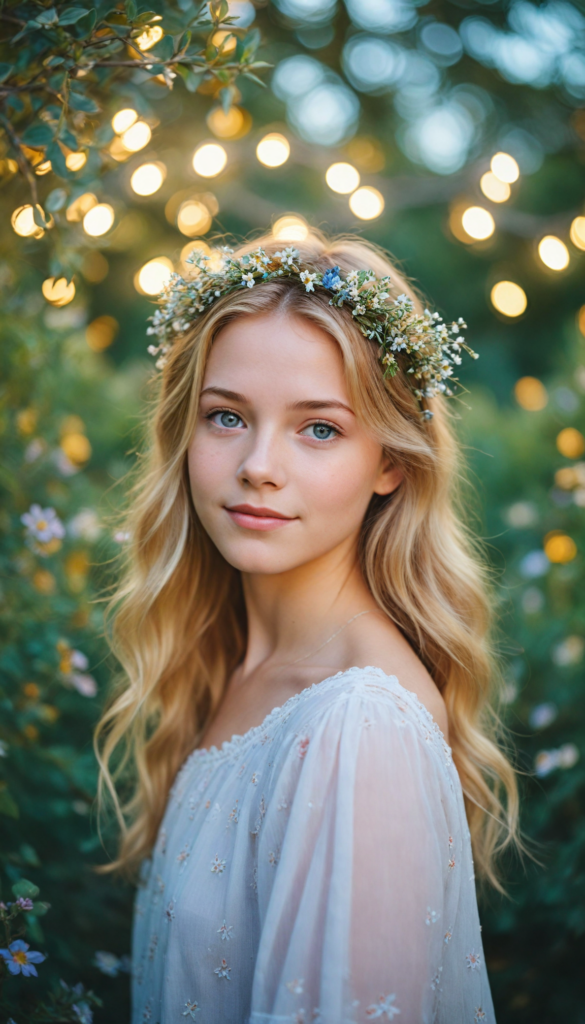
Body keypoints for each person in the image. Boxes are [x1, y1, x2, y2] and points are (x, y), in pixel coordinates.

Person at [95, 231, 520, 1023]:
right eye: (226, 417)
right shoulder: (233, 668)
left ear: (390, 463)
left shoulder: (358, 727)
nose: (259, 463)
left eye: (318, 428)